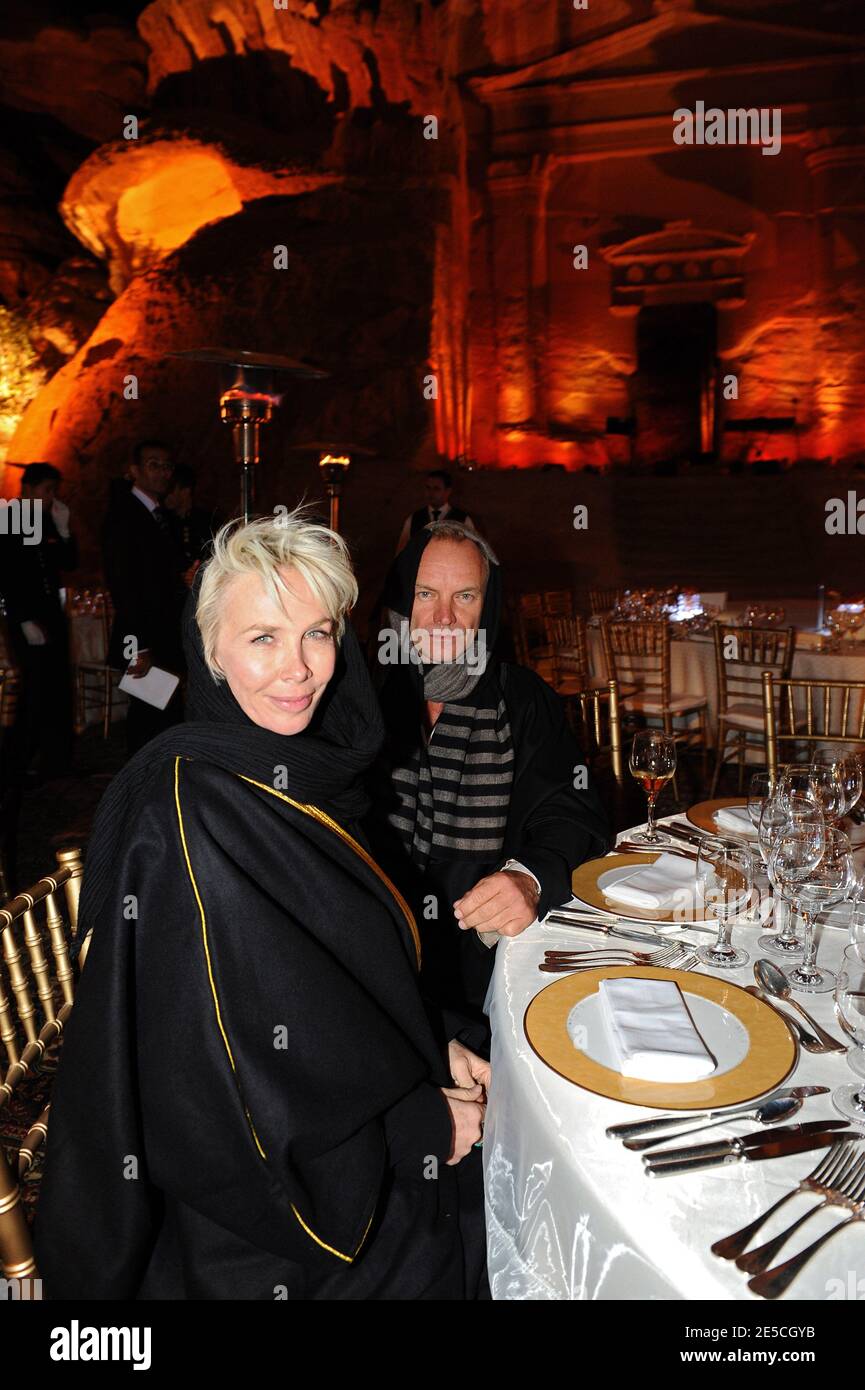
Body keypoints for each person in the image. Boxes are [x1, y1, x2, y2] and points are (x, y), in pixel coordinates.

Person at [35, 509, 487, 1300]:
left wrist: (428, 1042)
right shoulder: (194, 811)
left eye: (317, 633)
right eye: (262, 638)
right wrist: (413, 1122)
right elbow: (218, 1080)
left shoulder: (289, 774)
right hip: (272, 1226)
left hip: (340, 1149)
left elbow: (322, 982)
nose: (299, 670)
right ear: (209, 651)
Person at [368, 521, 609, 1026]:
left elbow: (572, 808)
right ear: (399, 600)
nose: (443, 617)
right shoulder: (357, 697)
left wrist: (531, 877)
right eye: (425, 593)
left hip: (495, 964)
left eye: (466, 596)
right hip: (373, 970)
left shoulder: (522, 697)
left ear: (488, 607)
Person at [0, 463, 77, 890]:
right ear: (27, 487)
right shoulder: (11, 514)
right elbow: (10, 574)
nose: (51, 497)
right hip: (28, 619)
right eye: (46, 489)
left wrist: (64, 528)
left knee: (54, 690)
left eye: (54, 490)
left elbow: (66, 562)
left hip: (51, 615)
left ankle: (54, 763)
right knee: (31, 694)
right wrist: (22, 618)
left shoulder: (45, 517)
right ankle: (17, 769)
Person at [101, 440, 188, 754]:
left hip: (162, 633)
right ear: (134, 471)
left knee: (159, 716)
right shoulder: (125, 517)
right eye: (154, 465)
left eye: (167, 466)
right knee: (151, 719)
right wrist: (141, 646)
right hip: (143, 638)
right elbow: (124, 585)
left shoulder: (158, 515)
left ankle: (151, 787)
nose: (163, 473)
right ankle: (142, 790)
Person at [163, 463, 224, 579]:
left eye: (170, 490)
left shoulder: (208, 522)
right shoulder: (163, 522)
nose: (165, 495)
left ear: (185, 491)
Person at [395, 469, 477, 554]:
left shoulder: (463, 520)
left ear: (448, 491)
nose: (430, 493)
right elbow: (401, 552)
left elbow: (472, 552)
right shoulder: (414, 519)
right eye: (428, 488)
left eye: (436, 489)